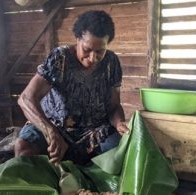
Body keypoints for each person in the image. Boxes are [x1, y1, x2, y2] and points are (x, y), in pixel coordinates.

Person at [14, 10, 129, 165]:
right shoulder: (60, 58)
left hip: (94, 130)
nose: (93, 59)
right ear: (77, 39)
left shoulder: (111, 62)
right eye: (87, 50)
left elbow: (114, 106)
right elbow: (26, 99)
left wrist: (119, 122)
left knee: (120, 155)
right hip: (55, 125)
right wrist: (51, 133)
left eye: (100, 51)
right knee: (23, 148)